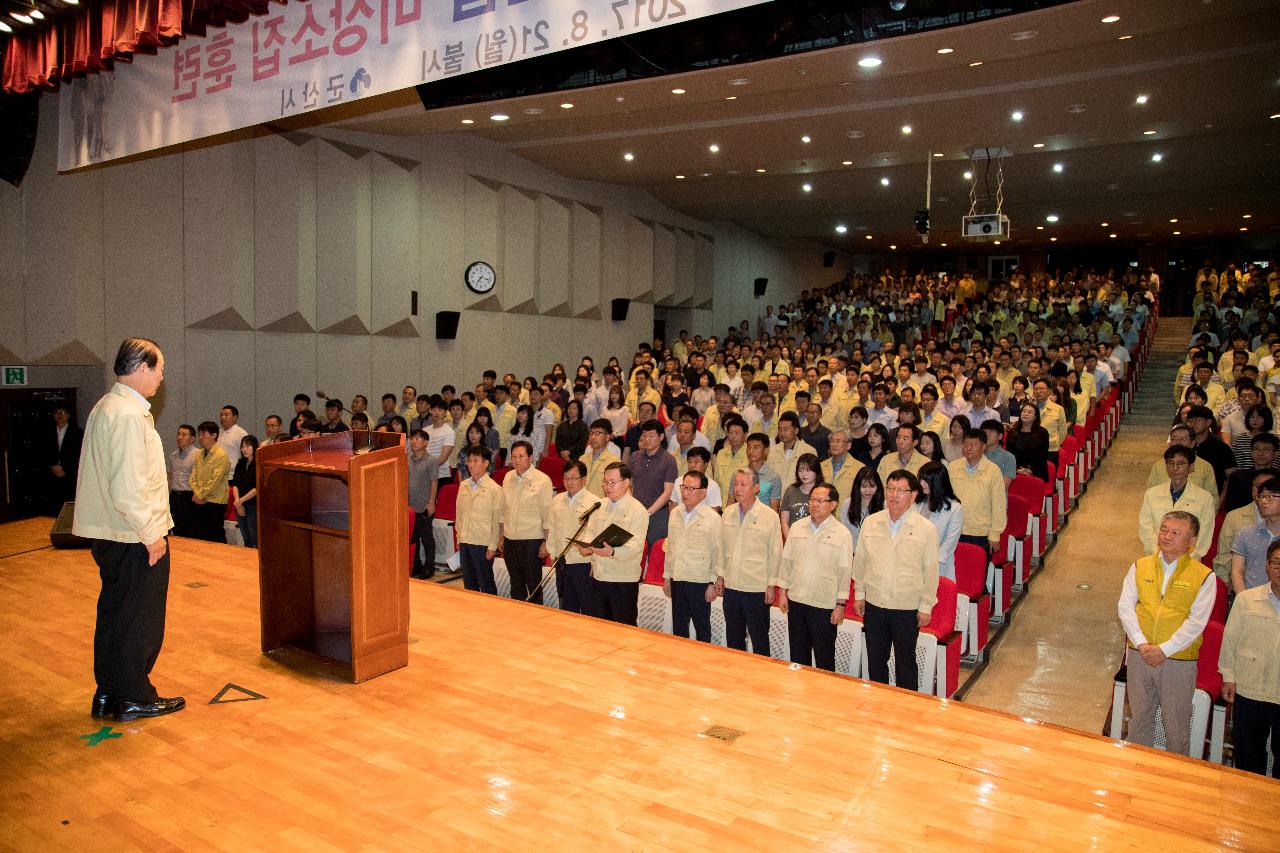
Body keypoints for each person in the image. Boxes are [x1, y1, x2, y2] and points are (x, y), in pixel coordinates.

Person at [72, 337, 184, 722]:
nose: (162, 378)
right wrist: (151, 533)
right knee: (140, 618)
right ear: (141, 368)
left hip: (114, 533)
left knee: (116, 614)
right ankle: (135, 694)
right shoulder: (127, 415)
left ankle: (109, 692)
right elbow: (129, 485)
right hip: (133, 535)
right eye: (160, 369)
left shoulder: (109, 407)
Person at [1116, 510, 1215, 756]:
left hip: (1178, 660)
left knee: (1176, 727)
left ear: (1191, 542)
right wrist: (1141, 644)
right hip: (1141, 655)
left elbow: (1196, 622)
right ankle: (1137, 776)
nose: (1166, 536)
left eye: (1175, 532)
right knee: (1139, 721)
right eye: (1164, 529)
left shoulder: (1203, 576)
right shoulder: (1140, 565)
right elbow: (1125, 607)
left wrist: (1165, 649)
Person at [852, 470, 940, 691]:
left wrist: (926, 606)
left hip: (907, 606)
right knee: (876, 659)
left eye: (901, 490)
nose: (894, 495)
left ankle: (906, 708)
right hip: (875, 603)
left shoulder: (926, 529)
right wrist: (860, 595)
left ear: (913, 495)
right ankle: (878, 701)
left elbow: (931, 571)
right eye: (891, 489)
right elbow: (860, 561)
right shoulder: (871, 522)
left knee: (905, 662)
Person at [1219, 538, 1280, 778]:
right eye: (1276, 562)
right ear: (1267, 566)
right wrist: (1228, 677)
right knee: (1248, 755)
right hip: (1250, 689)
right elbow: (1230, 641)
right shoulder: (1246, 600)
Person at [776, 483, 852, 671]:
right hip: (797, 601)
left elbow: (844, 571)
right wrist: (783, 593)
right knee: (798, 657)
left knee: (824, 659)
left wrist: (840, 605)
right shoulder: (797, 527)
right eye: (812, 500)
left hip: (824, 605)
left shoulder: (842, 534)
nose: (814, 504)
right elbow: (787, 562)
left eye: (820, 501)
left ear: (833, 504)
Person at [718, 468, 783, 656]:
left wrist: (771, 585)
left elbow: (775, 553)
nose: (737, 488)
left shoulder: (769, 516)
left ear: (756, 488)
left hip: (756, 588)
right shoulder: (728, 512)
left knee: (759, 639)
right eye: (735, 484)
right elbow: (722, 547)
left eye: (743, 484)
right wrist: (720, 576)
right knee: (734, 637)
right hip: (732, 585)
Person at [578, 462, 649, 625]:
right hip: (599, 576)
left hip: (622, 580)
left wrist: (612, 552)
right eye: (605, 482)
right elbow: (591, 533)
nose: (607, 486)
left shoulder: (638, 510)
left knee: (623, 628)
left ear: (626, 483)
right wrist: (587, 547)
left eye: (612, 482)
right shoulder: (599, 505)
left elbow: (636, 546)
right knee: (600, 627)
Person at [663, 471, 723, 642]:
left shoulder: (713, 518)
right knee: (679, 628)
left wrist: (712, 582)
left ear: (703, 492)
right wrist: (667, 577)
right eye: (683, 488)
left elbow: (717, 552)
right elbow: (670, 547)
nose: (685, 493)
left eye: (691, 489)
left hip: (700, 581)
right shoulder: (675, 513)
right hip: (678, 577)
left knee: (702, 628)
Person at [1137, 446, 1215, 561]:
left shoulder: (1204, 498)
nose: (1175, 468)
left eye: (1181, 463)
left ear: (1191, 467)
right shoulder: (1151, 494)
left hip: (1188, 562)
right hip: (1155, 558)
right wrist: (1159, 555)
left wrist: (1185, 560)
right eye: (1170, 463)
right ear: (1166, 467)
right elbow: (1145, 529)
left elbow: (1204, 536)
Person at [500, 440, 554, 604]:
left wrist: (545, 541)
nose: (517, 460)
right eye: (514, 456)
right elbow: (503, 511)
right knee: (516, 583)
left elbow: (547, 514)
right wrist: (501, 536)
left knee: (534, 584)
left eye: (521, 456)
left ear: (530, 458)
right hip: (510, 539)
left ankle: (535, 620)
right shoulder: (508, 477)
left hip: (531, 540)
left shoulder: (542, 480)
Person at [548, 460, 600, 614]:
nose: (569, 482)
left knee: (587, 606)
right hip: (562, 562)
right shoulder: (557, 499)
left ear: (583, 479)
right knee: (566, 607)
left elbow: (596, 535)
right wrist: (553, 554)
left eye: (573, 478)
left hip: (582, 563)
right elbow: (552, 529)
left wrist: (594, 562)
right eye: (566, 478)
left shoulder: (594, 502)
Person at [947, 428, 1007, 555]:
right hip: (954, 529)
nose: (968, 448)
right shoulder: (952, 467)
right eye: (965, 444)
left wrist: (995, 534)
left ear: (984, 446)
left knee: (977, 572)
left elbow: (999, 505)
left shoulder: (993, 471)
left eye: (973, 445)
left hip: (980, 533)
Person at [456, 447, 504, 594]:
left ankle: (491, 613)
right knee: (469, 582)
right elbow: (459, 515)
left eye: (475, 461)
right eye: (469, 460)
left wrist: (492, 546)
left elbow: (497, 521)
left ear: (486, 463)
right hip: (465, 541)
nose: (471, 464)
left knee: (486, 582)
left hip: (483, 543)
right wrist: (459, 539)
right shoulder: (464, 485)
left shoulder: (494, 489)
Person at [630, 419, 677, 546]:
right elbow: (628, 484)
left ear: (661, 436)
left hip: (658, 515)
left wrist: (649, 512)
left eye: (651, 435)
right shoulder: (635, 456)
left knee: (654, 552)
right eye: (644, 435)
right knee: (633, 550)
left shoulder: (669, 461)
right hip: (635, 512)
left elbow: (668, 492)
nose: (647, 439)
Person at [1230, 476, 1280, 594]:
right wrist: (1244, 600)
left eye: (1269, 497)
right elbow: (1237, 571)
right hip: (1251, 601)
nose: (1263, 501)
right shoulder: (1246, 533)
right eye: (1261, 497)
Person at [915, 461, 964, 582]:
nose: (921, 484)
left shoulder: (954, 508)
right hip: (914, 564)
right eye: (921, 479)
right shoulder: (917, 503)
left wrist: (929, 563)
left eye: (926, 481)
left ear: (937, 483)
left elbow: (949, 543)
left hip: (938, 567)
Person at [188, 421, 230, 543]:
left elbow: (215, 480)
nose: (200, 438)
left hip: (215, 501)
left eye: (204, 434)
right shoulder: (199, 453)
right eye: (199, 434)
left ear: (214, 435)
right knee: (201, 533)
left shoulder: (221, 455)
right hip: (199, 499)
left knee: (215, 533)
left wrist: (200, 495)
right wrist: (197, 494)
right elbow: (193, 477)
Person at [407, 429, 440, 579]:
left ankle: (429, 567)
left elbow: (434, 482)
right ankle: (416, 566)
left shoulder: (431, 461)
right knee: (413, 538)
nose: (414, 441)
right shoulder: (406, 459)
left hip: (424, 505)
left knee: (427, 539)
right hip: (410, 507)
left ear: (426, 443)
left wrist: (431, 502)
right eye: (412, 438)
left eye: (418, 438)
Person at [43, 403, 83, 512]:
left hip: (70, 475)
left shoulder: (78, 433)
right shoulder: (46, 432)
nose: (60, 415)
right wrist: (52, 466)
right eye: (57, 412)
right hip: (51, 475)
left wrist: (64, 468)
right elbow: (41, 452)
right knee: (52, 507)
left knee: (69, 507)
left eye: (63, 412)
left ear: (69, 415)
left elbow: (79, 455)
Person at [838, 466, 884, 554]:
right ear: (857, 486)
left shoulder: (884, 505)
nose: (868, 490)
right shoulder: (847, 504)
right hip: (852, 553)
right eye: (864, 486)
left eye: (872, 486)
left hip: (876, 554)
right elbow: (844, 531)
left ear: (878, 486)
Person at [780, 453, 824, 539]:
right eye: (800, 470)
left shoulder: (823, 492)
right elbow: (784, 521)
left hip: (816, 539)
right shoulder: (791, 490)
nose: (804, 474)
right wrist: (790, 540)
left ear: (816, 471)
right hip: (793, 538)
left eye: (808, 470)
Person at [1005, 403, 1050, 481]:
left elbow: (1042, 456)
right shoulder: (1012, 432)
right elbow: (1008, 455)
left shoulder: (1042, 433)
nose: (1026, 414)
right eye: (1024, 411)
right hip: (1015, 471)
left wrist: (1030, 469)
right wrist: (1017, 470)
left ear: (1035, 417)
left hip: (1036, 472)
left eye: (1030, 412)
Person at [167, 424, 197, 538]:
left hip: (189, 497)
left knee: (190, 530)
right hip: (174, 497)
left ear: (192, 439)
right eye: (178, 434)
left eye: (184, 435)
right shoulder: (173, 456)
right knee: (176, 529)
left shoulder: (198, 454)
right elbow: (171, 476)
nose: (180, 437)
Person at [231, 435, 259, 549]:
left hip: (253, 504)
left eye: (248, 446)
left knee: (255, 536)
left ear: (254, 447)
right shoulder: (240, 464)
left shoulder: (258, 464)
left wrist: (241, 501)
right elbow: (235, 484)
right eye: (242, 446)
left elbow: (257, 488)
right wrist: (238, 502)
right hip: (240, 503)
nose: (244, 449)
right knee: (245, 537)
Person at [820, 430, 863, 504]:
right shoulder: (821, 466)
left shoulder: (859, 468)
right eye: (832, 441)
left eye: (838, 441)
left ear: (849, 445)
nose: (834, 444)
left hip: (847, 513)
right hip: (824, 513)